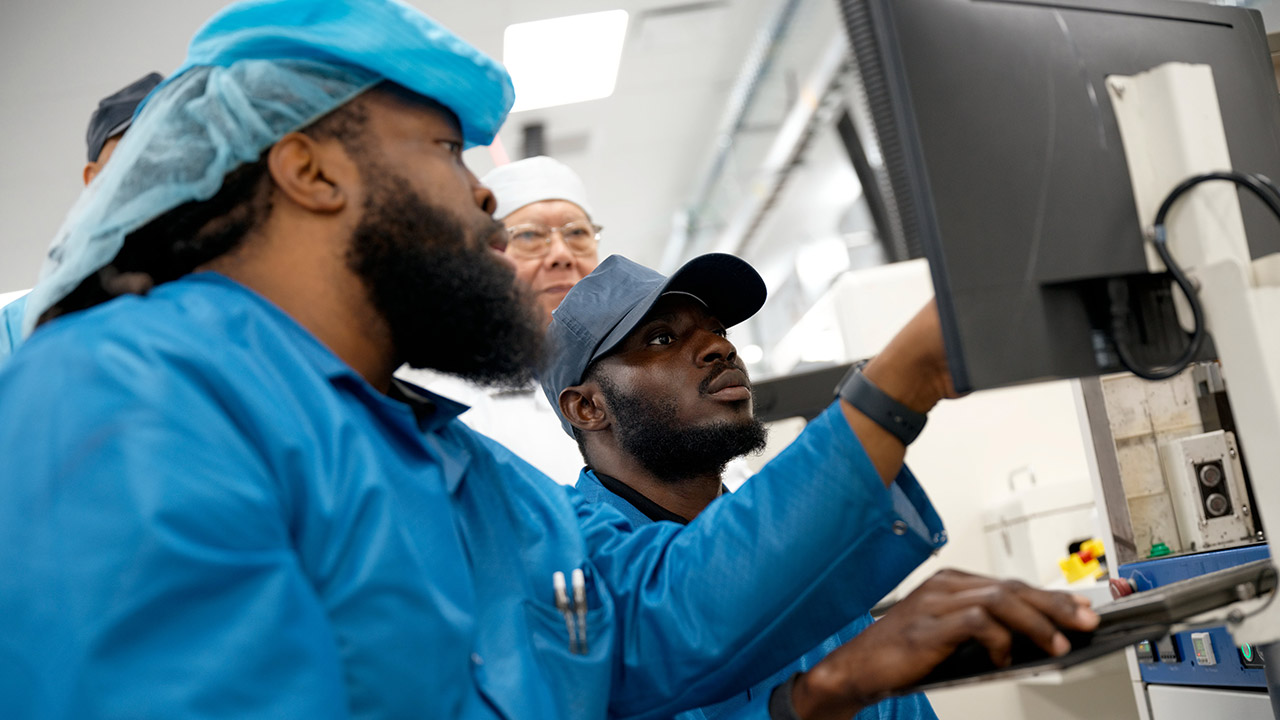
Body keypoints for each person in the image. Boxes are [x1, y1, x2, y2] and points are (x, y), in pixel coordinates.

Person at [0, 1, 1098, 718]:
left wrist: (906, 378)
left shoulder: (455, 465)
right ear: (309, 172)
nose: (484, 194)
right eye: (444, 149)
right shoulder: (132, 396)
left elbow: (651, 623)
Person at [541, 252, 936, 720]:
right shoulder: (571, 575)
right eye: (662, 338)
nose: (719, 348)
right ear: (587, 408)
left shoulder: (789, 548)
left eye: (720, 331)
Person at [397, 155, 601, 482]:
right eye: (529, 236)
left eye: (577, 232)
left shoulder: (646, 374)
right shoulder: (449, 410)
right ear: (488, 263)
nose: (562, 255)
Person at [0, 71, 163, 362]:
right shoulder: (20, 324)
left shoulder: (228, 295)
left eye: (162, 152)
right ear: (92, 178)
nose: (147, 172)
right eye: (129, 155)